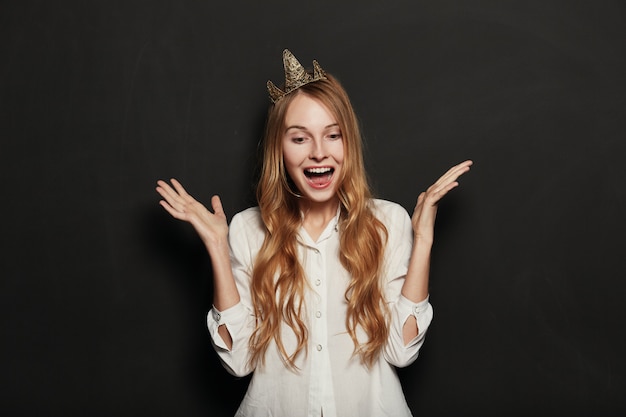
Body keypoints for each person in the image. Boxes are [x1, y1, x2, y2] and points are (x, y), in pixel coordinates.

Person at [156, 49, 472, 417]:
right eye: (300, 138)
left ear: (348, 143)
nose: (319, 153)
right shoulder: (246, 229)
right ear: (280, 149)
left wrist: (424, 242)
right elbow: (238, 360)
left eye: (332, 135)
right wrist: (216, 246)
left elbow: (402, 352)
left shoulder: (388, 222)